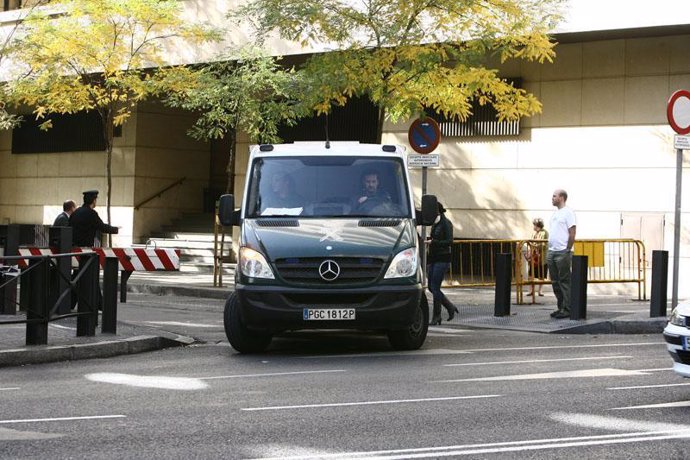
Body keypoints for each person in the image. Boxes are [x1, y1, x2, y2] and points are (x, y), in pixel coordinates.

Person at [427, 202, 459, 325]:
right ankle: (450, 307)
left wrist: (434, 242)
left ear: (437, 211)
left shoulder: (445, 223)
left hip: (443, 258)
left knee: (435, 287)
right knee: (431, 287)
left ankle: (436, 316)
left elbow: (450, 241)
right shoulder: (435, 223)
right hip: (434, 258)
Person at [547, 189, 577, 319]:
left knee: (564, 281)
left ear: (562, 198)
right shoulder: (555, 214)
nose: (552, 198)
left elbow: (572, 232)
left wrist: (567, 249)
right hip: (552, 251)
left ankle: (567, 308)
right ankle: (561, 307)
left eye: (554, 196)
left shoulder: (568, 213)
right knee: (555, 281)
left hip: (562, 252)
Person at [525, 218, 549, 297]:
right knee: (531, 274)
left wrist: (534, 245)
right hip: (534, 257)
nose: (533, 226)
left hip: (542, 257)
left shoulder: (544, 232)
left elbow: (544, 244)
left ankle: (540, 291)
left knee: (541, 275)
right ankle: (531, 290)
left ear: (538, 225)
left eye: (534, 224)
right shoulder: (534, 233)